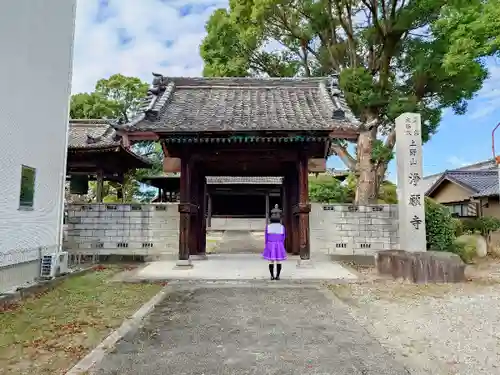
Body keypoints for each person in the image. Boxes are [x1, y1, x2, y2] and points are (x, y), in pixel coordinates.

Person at [262, 212, 287, 280]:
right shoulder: (282, 227)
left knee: (271, 260)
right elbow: (283, 237)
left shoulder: (268, 227)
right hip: (279, 244)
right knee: (278, 261)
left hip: (270, 244)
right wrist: (281, 243)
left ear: (271, 220)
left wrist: (266, 245)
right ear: (279, 220)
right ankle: (278, 276)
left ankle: (272, 276)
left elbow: (266, 237)